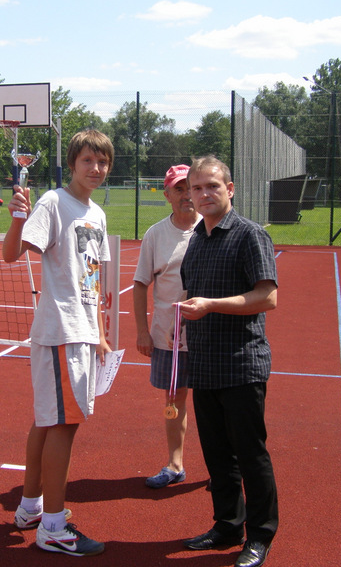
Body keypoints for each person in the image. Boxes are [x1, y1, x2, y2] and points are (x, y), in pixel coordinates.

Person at [3, 129, 113, 557]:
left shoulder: (97, 214)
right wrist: (18, 217)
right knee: (63, 424)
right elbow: (12, 253)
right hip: (61, 330)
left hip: (84, 330)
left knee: (48, 421)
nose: (96, 168)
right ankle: (53, 526)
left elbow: (94, 278)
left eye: (102, 162)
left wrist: (100, 334)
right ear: (72, 164)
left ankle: (30, 507)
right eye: (87, 160)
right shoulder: (53, 202)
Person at [178, 156, 278, 567]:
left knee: (250, 455)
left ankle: (260, 536)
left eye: (212, 186)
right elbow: (194, 296)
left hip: (240, 364)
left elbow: (267, 297)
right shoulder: (197, 239)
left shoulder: (250, 235)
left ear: (230, 189)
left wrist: (211, 305)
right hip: (204, 365)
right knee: (218, 456)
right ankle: (227, 526)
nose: (204, 194)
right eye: (197, 188)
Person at [133, 165, 201, 488]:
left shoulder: (212, 228)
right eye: (179, 189)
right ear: (167, 194)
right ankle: (175, 464)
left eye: (191, 188)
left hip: (210, 335)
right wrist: (142, 331)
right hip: (168, 337)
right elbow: (140, 284)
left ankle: (225, 468)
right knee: (174, 401)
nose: (187, 195)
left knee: (218, 403)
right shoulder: (155, 235)